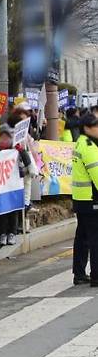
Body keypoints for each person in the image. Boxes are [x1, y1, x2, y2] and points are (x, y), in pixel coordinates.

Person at [71, 113, 98, 286]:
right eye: (96, 125)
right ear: (87, 128)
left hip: (81, 199)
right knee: (95, 239)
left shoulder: (81, 142)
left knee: (82, 237)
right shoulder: (88, 146)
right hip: (91, 199)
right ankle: (96, 276)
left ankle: (79, 273)